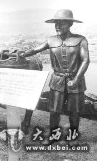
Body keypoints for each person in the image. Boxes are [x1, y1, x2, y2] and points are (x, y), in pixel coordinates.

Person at [20, 9, 90, 144]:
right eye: (56, 23)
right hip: (57, 80)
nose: (57, 26)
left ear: (70, 24)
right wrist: (23, 54)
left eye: (61, 23)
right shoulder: (51, 40)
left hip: (76, 81)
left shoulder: (81, 40)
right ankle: (53, 136)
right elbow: (35, 49)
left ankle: (73, 136)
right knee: (54, 111)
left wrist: (76, 79)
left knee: (74, 112)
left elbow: (86, 60)